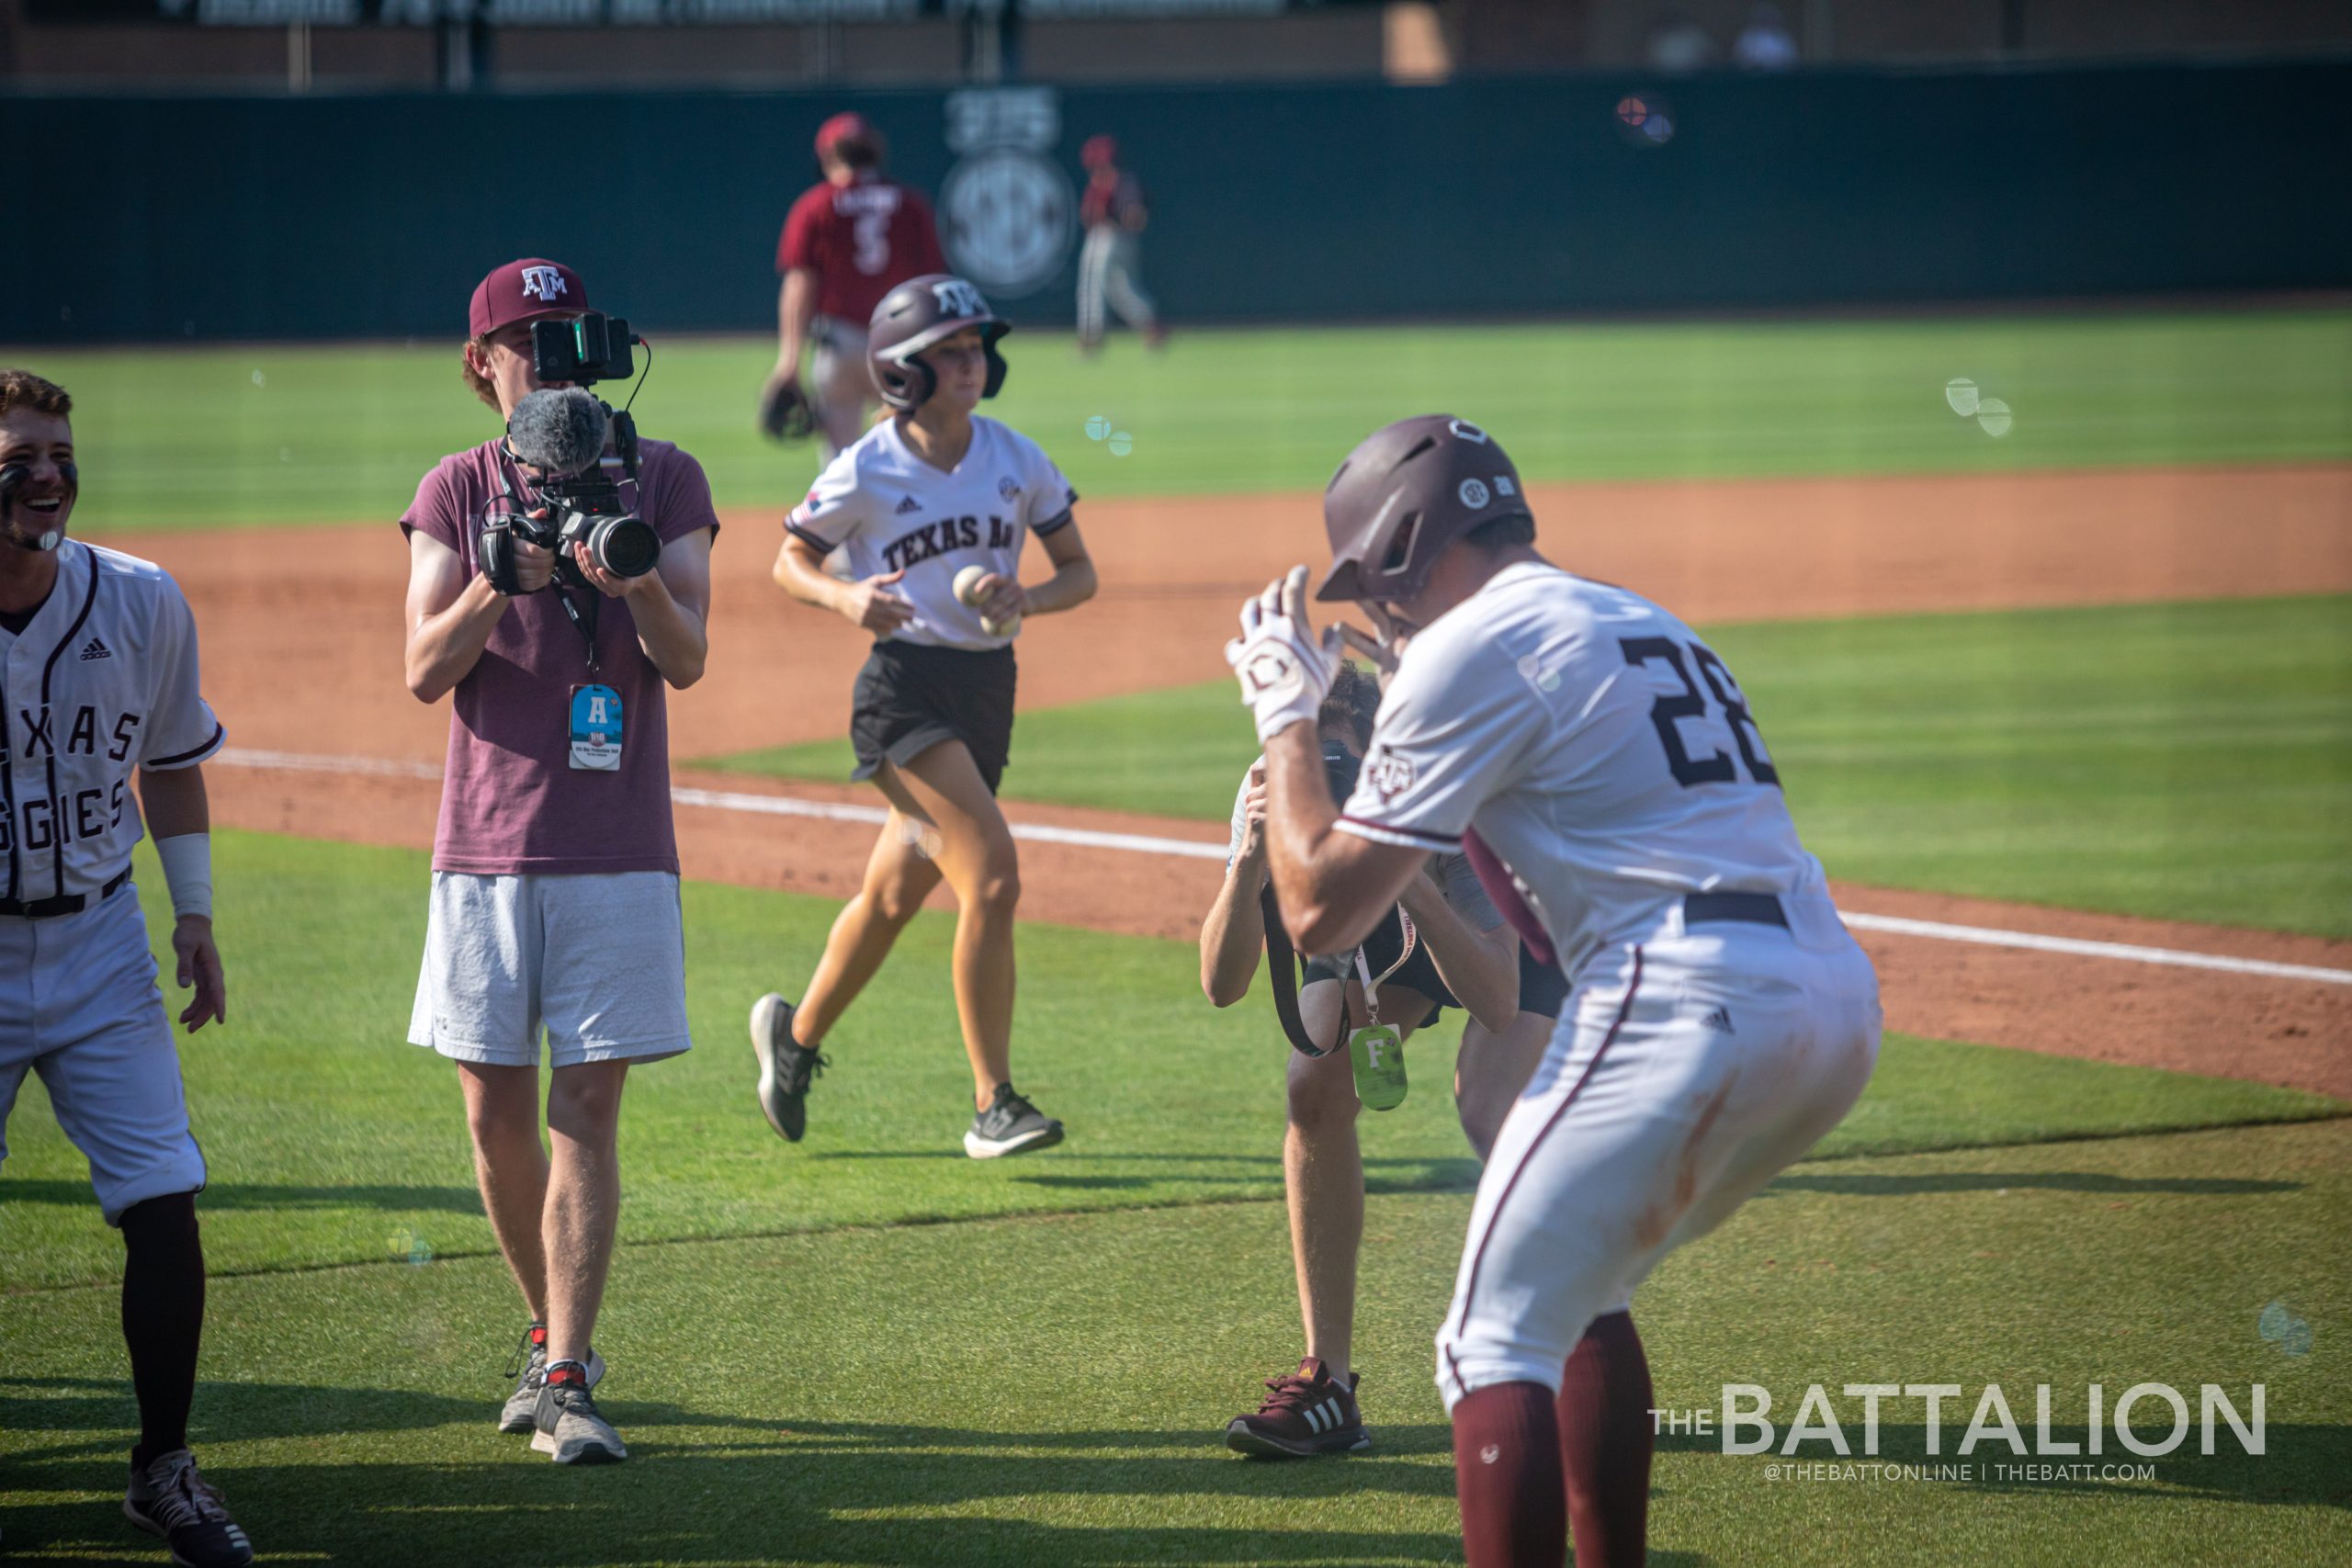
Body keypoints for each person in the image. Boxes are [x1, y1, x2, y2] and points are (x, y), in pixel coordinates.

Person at [1226, 415, 1882, 1566]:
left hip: (1685, 998)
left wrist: (1285, 710)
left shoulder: (1464, 648)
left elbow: (1320, 909)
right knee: (1573, 1288)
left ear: (1401, 545)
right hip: (1828, 1002)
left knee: (1488, 1343)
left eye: (1374, 585)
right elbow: (1537, 904)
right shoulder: (1640, 617)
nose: (1378, 618)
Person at [401, 257, 718, 1465]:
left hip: (616, 839)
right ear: (482, 362)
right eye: (527, 339)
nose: (553, 356)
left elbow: (686, 658)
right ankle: (546, 1331)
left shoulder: (667, 475)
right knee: (494, 1113)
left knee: (589, 1102)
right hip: (483, 839)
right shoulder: (455, 487)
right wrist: (500, 575)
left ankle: (573, 1370)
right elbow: (425, 668)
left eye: (567, 332)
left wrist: (630, 577)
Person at [751, 273, 1097, 1160]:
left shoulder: (1016, 457)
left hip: (987, 692)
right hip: (901, 696)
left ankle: (794, 1040)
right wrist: (846, 597)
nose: (970, 363)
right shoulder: (868, 464)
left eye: (976, 347)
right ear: (902, 372)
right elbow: (789, 562)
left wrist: (1028, 597)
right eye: (948, 351)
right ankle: (994, 1104)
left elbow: (1079, 573)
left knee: (893, 895)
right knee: (990, 875)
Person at [0, 369, 250, 1567]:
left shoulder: (141, 598)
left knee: (164, 1196)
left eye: (58, 451)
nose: (45, 473)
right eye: (18, 454)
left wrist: (192, 912)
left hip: (102, 942)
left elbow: (174, 758)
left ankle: (163, 1464)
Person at [1202, 662, 1566, 1458]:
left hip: (1514, 926)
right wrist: (1250, 865)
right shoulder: (1272, 782)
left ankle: (1566, 1344)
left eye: (1345, 770)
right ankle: (1329, 1383)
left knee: (1490, 1108)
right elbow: (1222, 984)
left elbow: (1499, 996)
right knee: (1316, 1088)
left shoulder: (1448, 796)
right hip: (1381, 925)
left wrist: (1402, 866)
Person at [760, 111, 950, 459]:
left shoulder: (815, 205)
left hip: (839, 342)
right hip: (898, 342)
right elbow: (931, 285)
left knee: (840, 467)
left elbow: (800, 285)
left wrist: (789, 361)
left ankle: (845, 514)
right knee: (911, 456)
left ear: (828, 155)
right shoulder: (910, 203)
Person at [1075, 134, 1164, 355]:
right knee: (1120, 288)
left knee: (1093, 284)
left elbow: (1132, 215)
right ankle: (1150, 326)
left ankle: (1091, 336)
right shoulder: (1123, 181)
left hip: (1109, 236)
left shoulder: (1114, 182)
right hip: (1118, 238)